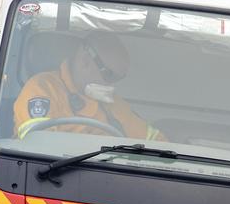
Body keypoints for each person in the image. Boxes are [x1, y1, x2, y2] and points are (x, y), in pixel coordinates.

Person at [13, 32, 162, 141]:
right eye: (109, 75)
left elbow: (152, 139)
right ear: (85, 61)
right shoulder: (42, 89)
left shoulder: (113, 103)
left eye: (118, 78)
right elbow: (36, 145)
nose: (111, 84)